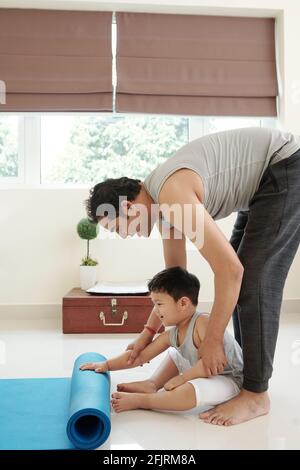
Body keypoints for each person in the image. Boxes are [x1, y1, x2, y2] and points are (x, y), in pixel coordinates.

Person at [86, 126, 300, 425]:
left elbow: (229, 271)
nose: (123, 236)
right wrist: (147, 334)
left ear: (129, 206)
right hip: (262, 185)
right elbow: (174, 284)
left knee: (251, 282)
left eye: (117, 227)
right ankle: (246, 377)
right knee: (242, 282)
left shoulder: (171, 198)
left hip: (284, 167)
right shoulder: (162, 210)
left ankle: (255, 394)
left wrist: (212, 340)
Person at [80, 267, 243, 417]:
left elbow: (209, 365)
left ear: (183, 303)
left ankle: (143, 401)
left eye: (159, 304)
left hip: (228, 378)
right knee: (175, 352)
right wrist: (107, 365)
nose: (156, 311)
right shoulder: (173, 334)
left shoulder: (203, 323)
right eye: (154, 304)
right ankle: (152, 384)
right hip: (202, 372)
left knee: (189, 391)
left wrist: (182, 379)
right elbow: (140, 356)